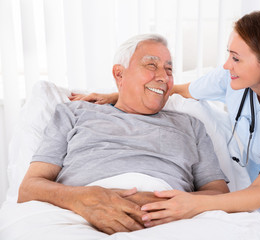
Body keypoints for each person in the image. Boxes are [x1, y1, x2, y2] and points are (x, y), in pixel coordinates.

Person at [76, 10, 260, 240]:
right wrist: (117, 96)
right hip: (255, 186)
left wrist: (194, 204)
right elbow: (177, 90)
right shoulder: (231, 76)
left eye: (236, 58)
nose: (227, 65)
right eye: (229, 54)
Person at [17, 33, 229, 235]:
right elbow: (29, 188)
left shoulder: (190, 125)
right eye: (151, 65)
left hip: (170, 218)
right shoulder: (74, 112)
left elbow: (219, 194)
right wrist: (81, 198)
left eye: (169, 70)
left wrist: (172, 203)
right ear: (120, 74)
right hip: (78, 214)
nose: (163, 77)